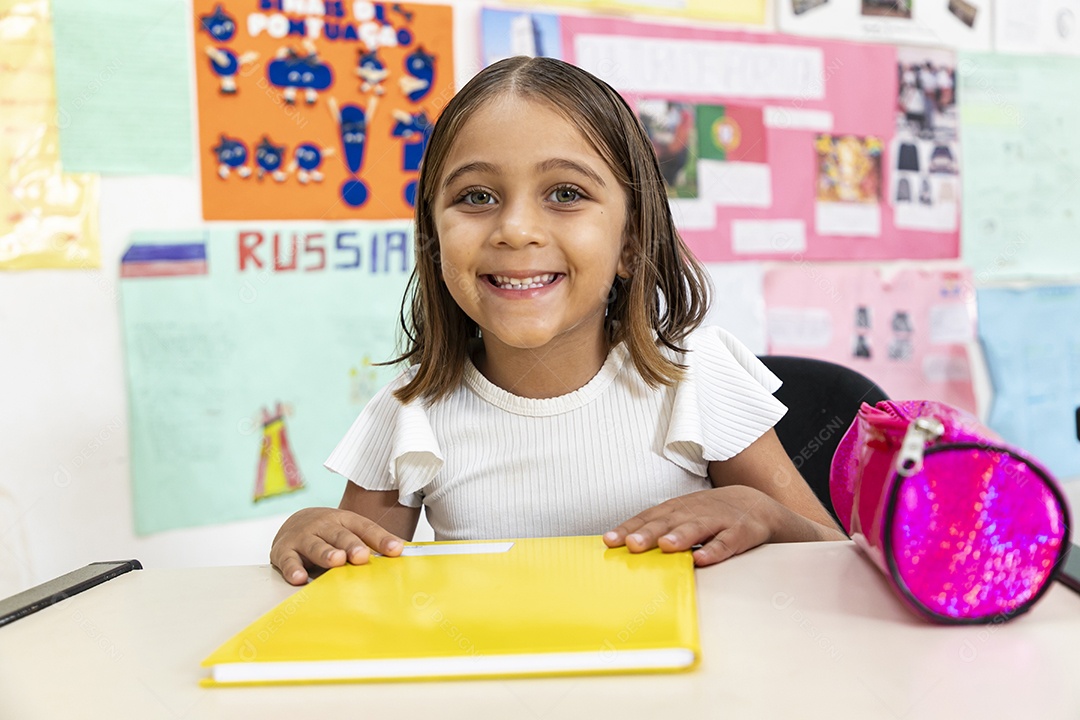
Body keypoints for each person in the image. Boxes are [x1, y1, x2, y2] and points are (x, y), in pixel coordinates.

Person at [270, 56, 845, 586]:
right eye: (475, 197)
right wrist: (308, 533)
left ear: (631, 240)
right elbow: (350, 580)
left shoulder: (699, 376)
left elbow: (835, 554)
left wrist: (761, 513)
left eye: (566, 193)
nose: (515, 229)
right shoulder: (410, 409)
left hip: (680, 687)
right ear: (433, 237)